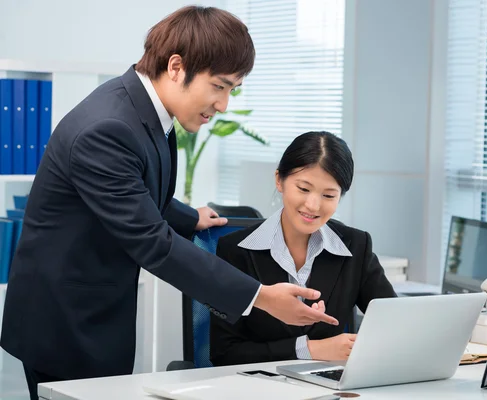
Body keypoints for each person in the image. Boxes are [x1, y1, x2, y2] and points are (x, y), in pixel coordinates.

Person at [0, 7, 337, 400]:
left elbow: (135, 186)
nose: (224, 104)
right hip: (65, 320)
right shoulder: (107, 129)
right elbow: (153, 244)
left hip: (95, 307)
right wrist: (261, 297)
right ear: (176, 66)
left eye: (232, 91)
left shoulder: (141, 107)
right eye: (219, 86)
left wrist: (189, 216)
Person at [210, 131, 397, 366]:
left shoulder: (356, 247)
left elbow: (395, 326)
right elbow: (224, 353)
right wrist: (309, 349)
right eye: (304, 189)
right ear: (279, 180)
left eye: (329, 195)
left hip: (331, 388)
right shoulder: (235, 251)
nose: (313, 205)